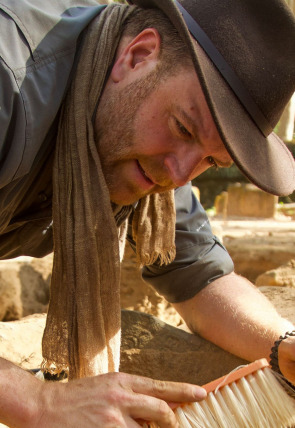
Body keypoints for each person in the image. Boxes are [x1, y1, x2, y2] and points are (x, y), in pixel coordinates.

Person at [0, 0, 294, 426]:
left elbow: (201, 277)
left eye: (211, 160)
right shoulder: (9, 83)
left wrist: (280, 342)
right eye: (183, 128)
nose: (178, 174)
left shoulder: (149, 152)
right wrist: (38, 401)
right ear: (137, 56)